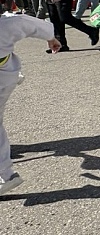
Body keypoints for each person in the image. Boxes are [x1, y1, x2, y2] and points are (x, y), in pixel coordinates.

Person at [0, 14, 61, 195]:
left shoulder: (7, 24)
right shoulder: (7, 23)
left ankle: (6, 175)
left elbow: (25, 23)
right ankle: (5, 174)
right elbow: (27, 23)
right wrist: (50, 37)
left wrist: (50, 37)